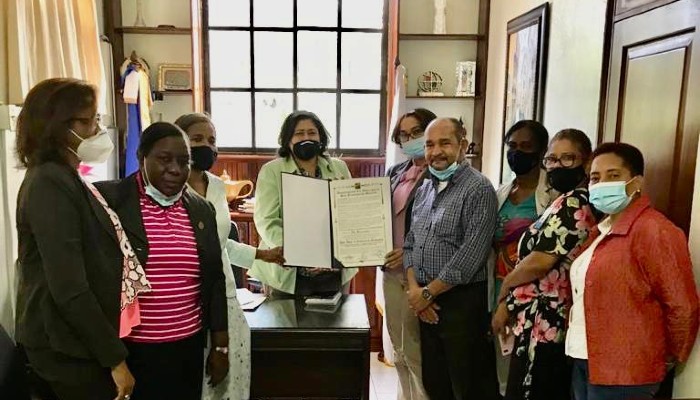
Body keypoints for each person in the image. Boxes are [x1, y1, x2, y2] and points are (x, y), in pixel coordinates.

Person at [14, 78, 135, 400]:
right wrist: (114, 357)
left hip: (78, 342)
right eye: (87, 120)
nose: (97, 129)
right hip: (64, 346)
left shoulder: (67, 177)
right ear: (55, 126)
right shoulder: (49, 184)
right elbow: (69, 286)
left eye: (96, 119)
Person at [95, 122, 229, 400]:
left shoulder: (201, 210)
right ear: (142, 156)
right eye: (164, 159)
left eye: (183, 161)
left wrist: (220, 346)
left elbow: (215, 280)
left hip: (187, 347)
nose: (176, 169)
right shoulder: (110, 201)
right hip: (131, 350)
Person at [566, 142, 699, 400]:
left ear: (636, 183)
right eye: (595, 177)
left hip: (627, 371)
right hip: (584, 358)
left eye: (613, 176)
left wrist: (666, 357)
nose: (602, 183)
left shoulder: (654, 230)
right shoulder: (599, 231)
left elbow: (682, 305)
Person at [174, 112, 285, 400]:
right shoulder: (168, 187)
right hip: (184, 302)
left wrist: (263, 254)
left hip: (224, 298)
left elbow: (220, 243)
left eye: (211, 140)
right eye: (196, 139)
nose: (206, 146)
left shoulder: (216, 185)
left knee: (229, 382)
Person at [492, 129, 598, 400]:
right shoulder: (560, 201)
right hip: (534, 321)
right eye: (552, 160)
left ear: (586, 162)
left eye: (567, 158)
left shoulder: (577, 202)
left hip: (548, 323)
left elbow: (539, 262)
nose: (557, 166)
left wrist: (505, 291)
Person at [403, 117, 499, 400]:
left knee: (468, 385)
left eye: (445, 143)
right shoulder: (425, 188)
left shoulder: (479, 189)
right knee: (436, 382)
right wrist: (415, 291)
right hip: (425, 299)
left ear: (462, 146)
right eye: (430, 144)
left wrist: (428, 293)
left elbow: (471, 254)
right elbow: (410, 243)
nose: (436, 152)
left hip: (462, 302)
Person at [249, 110, 357, 297]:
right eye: (299, 134)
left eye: (312, 133)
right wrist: (302, 254)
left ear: (321, 137)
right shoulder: (272, 170)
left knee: (335, 323)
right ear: (288, 140)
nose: (306, 138)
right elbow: (266, 221)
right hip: (287, 272)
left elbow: (348, 216)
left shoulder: (339, 167)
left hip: (333, 269)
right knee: (287, 323)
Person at [490, 120, 555, 396]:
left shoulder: (552, 195)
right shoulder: (501, 193)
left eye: (526, 146)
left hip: (533, 295)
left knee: (529, 376)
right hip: (498, 288)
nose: (518, 152)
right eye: (512, 146)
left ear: (541, 152)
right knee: (502, 371)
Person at [383, 108, 436, 400]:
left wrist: (409, 253)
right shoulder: (394, 173)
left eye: (417, 132)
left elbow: (439, 229)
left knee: (416, 350)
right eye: (404, 134)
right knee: (398, 348)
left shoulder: (439, 174)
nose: (410, 139)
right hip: (390, 271)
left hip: (420, 274)